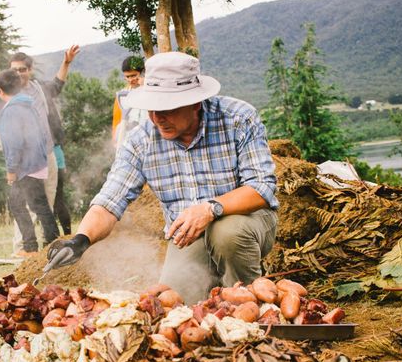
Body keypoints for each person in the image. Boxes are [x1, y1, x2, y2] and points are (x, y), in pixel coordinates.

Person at [45, 52, 278, 304]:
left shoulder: (238, 118)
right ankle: (212, 296)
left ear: (195, 103)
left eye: (167, 110)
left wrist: (210, 209)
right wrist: (80, 240)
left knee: (226, 233)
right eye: (152, 110)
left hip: (247, 220)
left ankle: (251, 306)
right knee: (173, 301)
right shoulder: (141, 140)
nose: (157, 119)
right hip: (186, 234)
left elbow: (261, 187)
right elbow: (110, 200)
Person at [0, 46, 79, 242]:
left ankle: (47, 246)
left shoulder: (39, 89)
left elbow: (57, 84)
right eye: (14, 70)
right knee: (26, 204)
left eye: (22, 69)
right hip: (24, 160)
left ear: (29, 70)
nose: (18, 73)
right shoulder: (5, 94)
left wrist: (66, 62)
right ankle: (24, 245)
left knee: (46, 202)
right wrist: (1, 140)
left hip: (46, 153)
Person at [0, 69, 59, 255]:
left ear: (0, 91)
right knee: (29, 204)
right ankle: (39, 245)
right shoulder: (28, 105)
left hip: (25, 166)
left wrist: (11, 169)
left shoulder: (11, 111)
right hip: (37, 162)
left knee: (32, 206)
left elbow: (14, 143)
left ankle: (45, 246)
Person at [112, 55, 148, 148]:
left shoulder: (151, 90)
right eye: (127, 76)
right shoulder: (121, 96)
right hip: (130, 143)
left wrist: (146, 86)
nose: (130, 79)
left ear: (142, 73)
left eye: (133, 75)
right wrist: (116, 143)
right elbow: (116, 122)